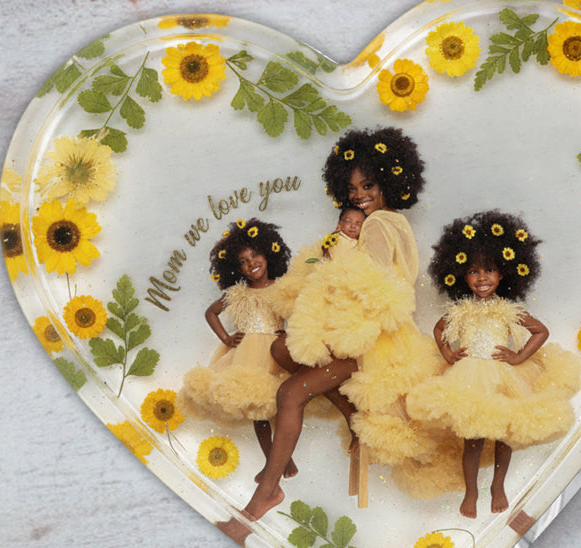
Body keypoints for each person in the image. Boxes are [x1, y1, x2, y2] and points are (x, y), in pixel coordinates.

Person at [243, 126, 452, 520]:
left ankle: (265, 495)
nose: (359, 195)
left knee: (290, 395)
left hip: (371, 337)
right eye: (352, 189)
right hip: (383, 331)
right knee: (280, 348)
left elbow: (367, 287)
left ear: (390, 180)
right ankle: (350, 416)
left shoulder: (376, 224)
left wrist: (330, 274)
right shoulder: (397, 222)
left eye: (368, 184)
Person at [406, 210, 581, 518]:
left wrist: (518, 356)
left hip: (502, 375)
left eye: (489, 270)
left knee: (504, 434)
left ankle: (497, 485)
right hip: (469, 376)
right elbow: (438, 329)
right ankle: (471, 490)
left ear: (503, 274)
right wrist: (448, 355)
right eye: (474, 272)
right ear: (462, 275)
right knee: (472, 438)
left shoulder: (507, 308)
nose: (482, 278)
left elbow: (540, 331)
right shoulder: (462, 309)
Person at [178, 218, 299, 477]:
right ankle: (272, 463)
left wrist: (289, 334)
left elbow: (299, 313)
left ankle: (282, 460)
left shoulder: (281, 289)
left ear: (268, 253)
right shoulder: (238, 293)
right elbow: (211, 313)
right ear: (237, 269)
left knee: (279, 404)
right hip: (247, 355)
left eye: (255, 255)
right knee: (257, 409)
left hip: (275, 353)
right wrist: (225, 338)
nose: (251, 263)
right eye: (243, 261)